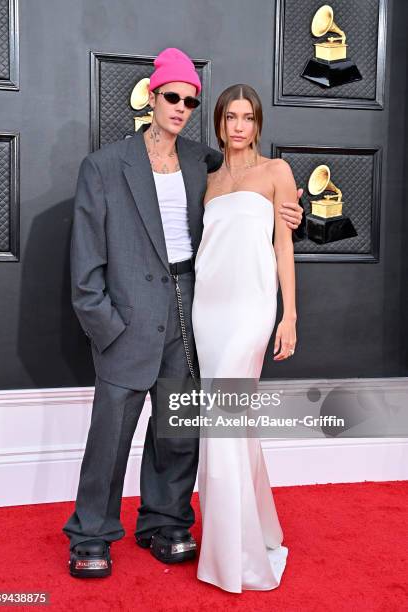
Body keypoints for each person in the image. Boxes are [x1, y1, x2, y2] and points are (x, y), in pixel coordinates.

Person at [63, 49, 303, 578]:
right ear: (152, 97)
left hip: (192, 310)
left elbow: (254, 195)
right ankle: (90, 534)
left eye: (191, 100)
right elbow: (84, 263)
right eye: (172, 96)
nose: (181, 106)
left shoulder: (203, 161)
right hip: (127, 315)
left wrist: (295, 210)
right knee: (111, 434)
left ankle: (166, 522)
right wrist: (104, 324)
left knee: (178, 430)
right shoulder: (104, 166)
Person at [192, 84, 297, 592]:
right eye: (230, 116)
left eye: (247, 117)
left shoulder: (276, 173)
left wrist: (289, 315)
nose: (238, 125)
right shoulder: (208, 180)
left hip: (252, 308)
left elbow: (284, 248)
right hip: (206, 312)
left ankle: (235, 558)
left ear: (257, 124)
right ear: (218, 123)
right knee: (233, 423)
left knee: (223, 422)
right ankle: (255, 529)